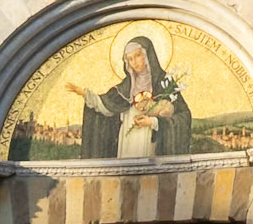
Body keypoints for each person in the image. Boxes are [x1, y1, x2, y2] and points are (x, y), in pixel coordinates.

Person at [79, 31, 192, 159]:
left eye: (138, 56)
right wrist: (86, 95)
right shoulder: (125, 87)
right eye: (130, 59)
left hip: (151, 143)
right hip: (127, 140)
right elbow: (105, 105)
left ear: (148, 55)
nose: (134, 62)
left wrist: (153, 122)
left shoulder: (165, 83)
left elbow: (184, 116)